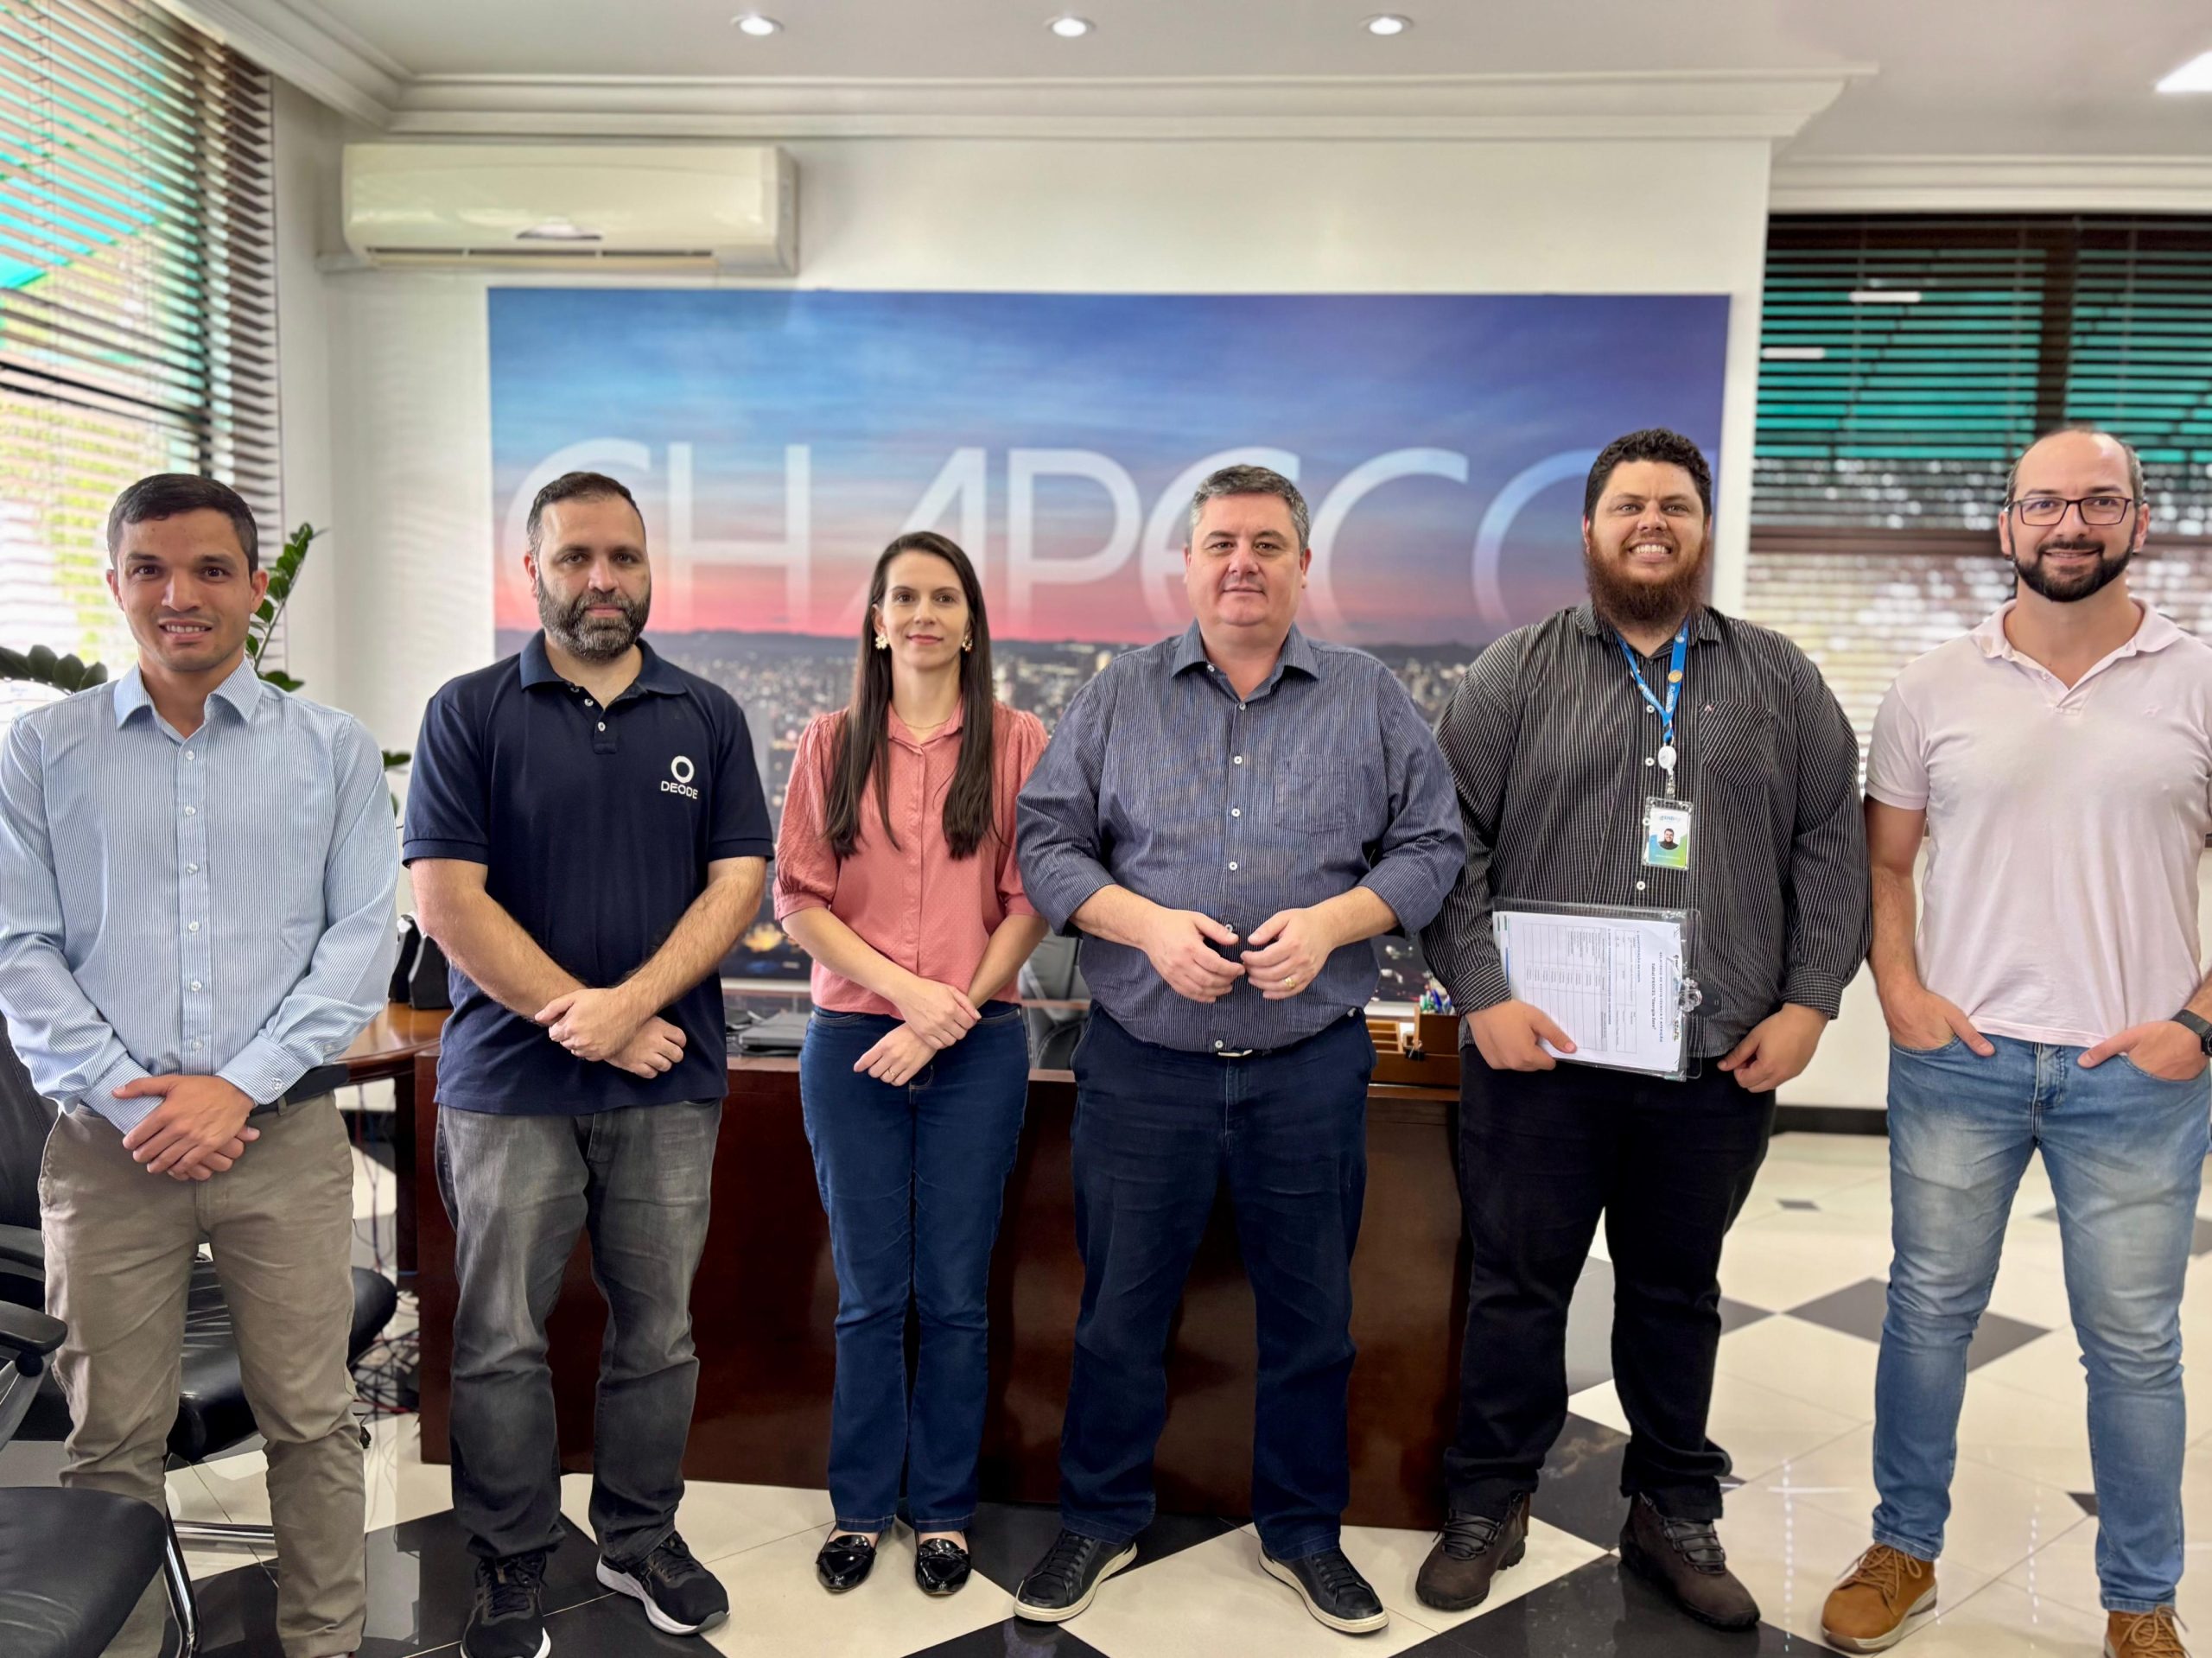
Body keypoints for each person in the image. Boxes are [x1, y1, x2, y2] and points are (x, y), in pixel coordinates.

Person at [1418, 429, 1870, 1630]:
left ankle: (1672, 1506)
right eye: (1628, 505)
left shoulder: (1780, 680)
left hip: (1713, 1056)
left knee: (1676, 1292)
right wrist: (1482, 993)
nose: (1651, 522)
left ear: (1704, 527)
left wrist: (1810, 1001)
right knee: (1517, 1288)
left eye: (1675, 504)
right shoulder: (1513, 672)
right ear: (1590, 528)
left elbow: (1831, 846)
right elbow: (1447, 843)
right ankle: (1489, 1497)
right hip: (1539, 1055)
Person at [1011, 463, 1462, 1636]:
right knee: (1118, 1313)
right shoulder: (1119, 692)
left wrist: (1334, 922)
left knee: (1312, 1320)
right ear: (1189, 562)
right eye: (1221, 542)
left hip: (1306, 1067)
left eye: (1266, 543)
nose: (1243, 563)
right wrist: (1145, 926)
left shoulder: (1369, 696)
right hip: (1142, 1064)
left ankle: (1304, 1531)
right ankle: (1099, 1517)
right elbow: (1047, 844)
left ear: (1304, 564)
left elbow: (1432, 846)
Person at [1821, 429, 2210, 1658]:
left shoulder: (2198, 680)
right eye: (2043, 503)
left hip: (2137, 1072)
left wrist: (2199, 1023)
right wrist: (1899, 987)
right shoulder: (1931, 685)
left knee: (2133, 1346)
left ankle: (2140, 1598)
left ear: (2139, 518)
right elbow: (1886, 862)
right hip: (1963, 1060)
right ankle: (1903, 1546)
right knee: (1926, 1309)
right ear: (2006, 524)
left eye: (2098, 501)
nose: (2069, 523)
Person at [0, 474, 398, 1658]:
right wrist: (136, 1098)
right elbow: (19, 947)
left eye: (212, 569)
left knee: (312, 1418)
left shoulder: (329, 750)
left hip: (281, 1139)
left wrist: (238, 1085)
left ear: (255, 587)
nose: (181, 593)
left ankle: (324, 1641)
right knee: (111, 1439)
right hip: (107, 1147)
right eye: (151, 569)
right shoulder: (41, 750)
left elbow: (359, 943)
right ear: (116, 583)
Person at [405, 472, 772, 1655]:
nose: (601, 579)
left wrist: (631, 1008)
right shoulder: (468, 712)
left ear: (650, 567)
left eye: (623, 556)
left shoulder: (708, 714)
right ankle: (509, 1554)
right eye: (575, 557)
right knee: (499, 1333)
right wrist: (596, 1017)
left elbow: (739, 883)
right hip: (509, 1089)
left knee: (658, 1330)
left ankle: (638, 1534)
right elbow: (446, 899)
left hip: (667, 1080)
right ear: (534, 572)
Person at [776, 531, 1048, 1598]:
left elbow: (1030, 900)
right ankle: (858, 1506)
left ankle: (941, 1511)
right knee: (868, 1294)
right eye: (904, 597)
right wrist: (906, 994)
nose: (924, 613)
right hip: (854, 1044)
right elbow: (800, 900)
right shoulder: (829, 742)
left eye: (944, 597)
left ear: (971, 624)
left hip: (978, 1046)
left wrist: (947, 1014)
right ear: (877, 622)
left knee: (955, 1296)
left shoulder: (1018, 741)